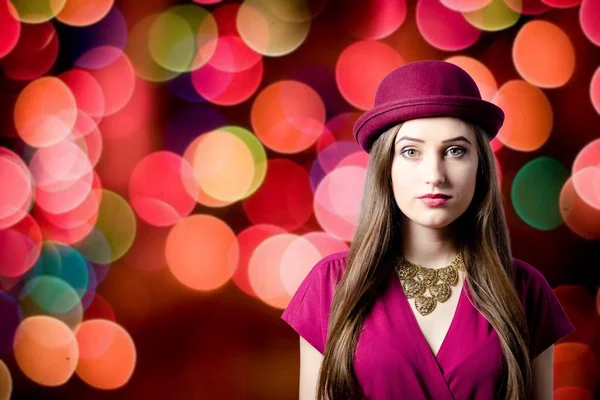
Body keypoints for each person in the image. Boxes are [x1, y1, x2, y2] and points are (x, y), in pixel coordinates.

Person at [280, 60, 576, 400]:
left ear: (480, 166)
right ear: (384, 168)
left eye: (455, 151)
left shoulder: (525, 291)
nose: (435, 174)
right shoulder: (330, 286)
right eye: (410, 152)